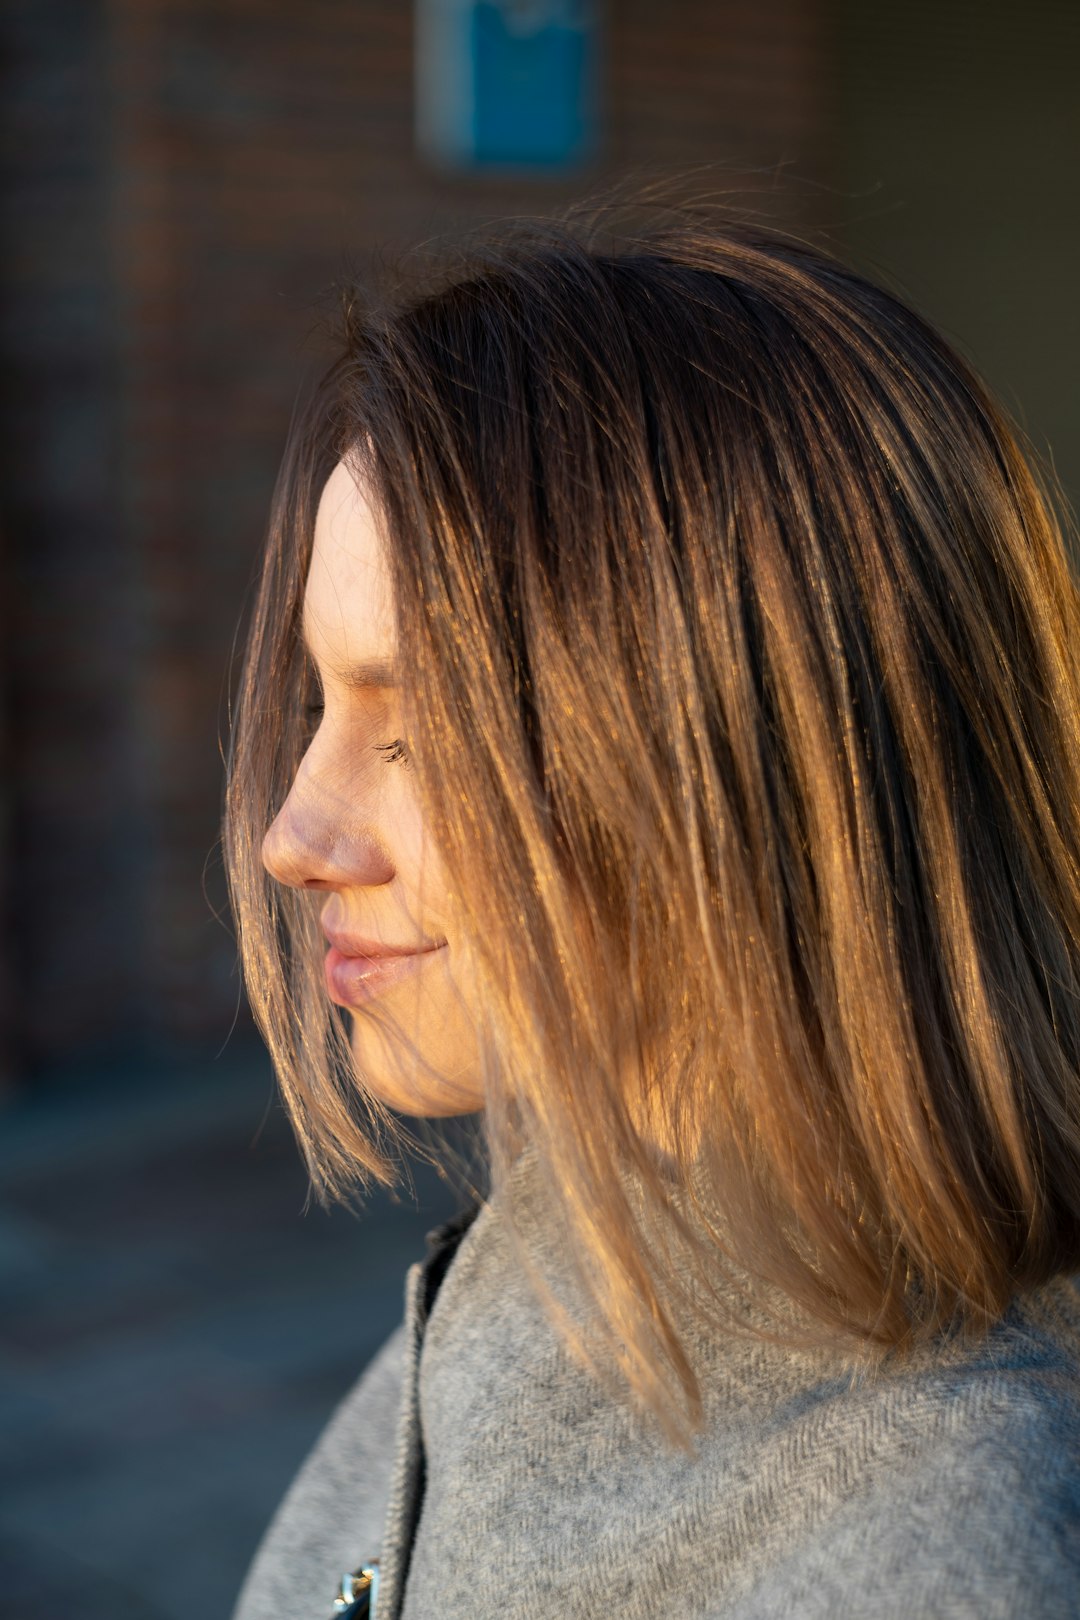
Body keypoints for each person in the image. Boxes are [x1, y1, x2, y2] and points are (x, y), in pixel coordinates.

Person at [223, 207, 1080, 1620]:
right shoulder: (552, 1263)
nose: (291, 836)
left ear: (760, 760)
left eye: (427, 730)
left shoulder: (943, 1546)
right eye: (321, 705)